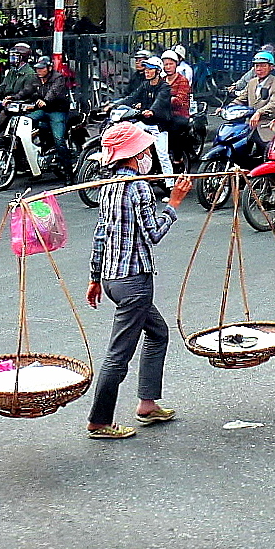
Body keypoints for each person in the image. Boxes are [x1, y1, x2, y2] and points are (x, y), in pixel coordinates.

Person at [85, 122, 193, 440]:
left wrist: (94, 277)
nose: (149, 154)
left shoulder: (108, 186)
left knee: (158, 333)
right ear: (139, 154)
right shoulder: (139, 188)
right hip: (134, 282)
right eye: (146, 149)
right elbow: (153, 234)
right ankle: (99, 421)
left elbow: (100, 234)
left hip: (111, 279)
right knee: (118, 354)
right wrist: (173, 204)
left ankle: (147, 404)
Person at [114, 56, 175, 176]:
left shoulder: (164, 87)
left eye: (150, 69)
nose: (146, 71)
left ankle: (170, 183)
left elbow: (160, 101)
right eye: (146, 68)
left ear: (157, 71)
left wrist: (151, 111)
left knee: (163, 155)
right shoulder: (145, 85)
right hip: (144, 122)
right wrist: (114, 105)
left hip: (159, 125)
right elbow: (132, 97)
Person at [15, 57, 73, 163]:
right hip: (43, 110)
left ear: (49, 68)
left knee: (59, 139)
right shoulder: (36, 78)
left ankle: (68, 170)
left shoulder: (58, 77)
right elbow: (27, 90)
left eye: (42, 68)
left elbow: (54, 91)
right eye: (37, 69)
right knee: (24, 121)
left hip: (57, 111)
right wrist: (14, 98)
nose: (39, 71)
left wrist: (45, 100)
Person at [230, 51, 275, 153]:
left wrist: (259, 112)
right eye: (257, 66)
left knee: (267, 151)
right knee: (236, 147)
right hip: (249, 124)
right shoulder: (252, 82)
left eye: (263, 66)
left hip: (267, 124)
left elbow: (274, 103)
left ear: (271, 67)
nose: (259, 69)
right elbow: (241, 99)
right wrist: (227, 108)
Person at [161, 50, 193, 168]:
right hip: (163, 114)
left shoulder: (182, 80)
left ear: (176, 65)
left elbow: (179, 101)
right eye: (165, 64)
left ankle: (177, 159)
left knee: (173, 130)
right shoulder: (162, 80)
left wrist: (163, 100)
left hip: (180, 114)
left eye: (171, 64)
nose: (168, 67)